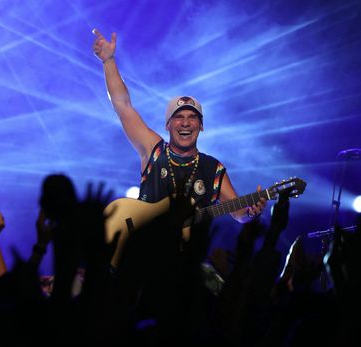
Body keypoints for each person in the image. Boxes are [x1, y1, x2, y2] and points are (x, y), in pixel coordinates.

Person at [92, 29, 267, 222]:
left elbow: (238, 213)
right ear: (167, 125)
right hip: (143, 248)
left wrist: (250, 211)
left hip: (187, 251)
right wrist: (108, 61)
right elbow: (122, 105)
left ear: (201, 126)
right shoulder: (154, 150)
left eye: (192, 117)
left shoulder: (212, 168)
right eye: (179, 117)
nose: (185, 123)